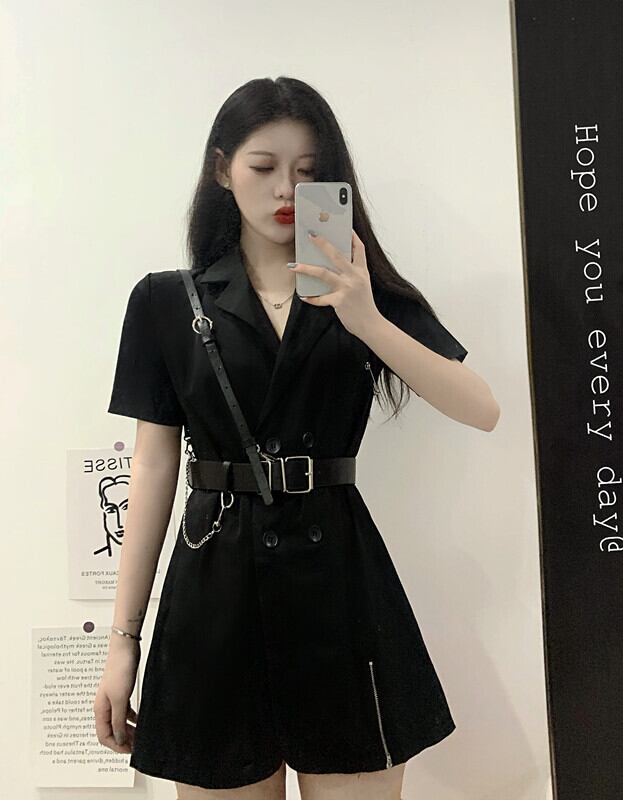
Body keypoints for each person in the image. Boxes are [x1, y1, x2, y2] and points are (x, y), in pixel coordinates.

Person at [94, 76, 500, 800]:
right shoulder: (165, 302)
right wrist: (123, 642)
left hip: (339, 584)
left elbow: (481, 408)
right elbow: (153, 468)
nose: (286, 188)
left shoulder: (362, 291)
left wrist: (365, 317)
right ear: (222, 170)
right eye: (264, 166)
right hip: (214, 592)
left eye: (309, 171)